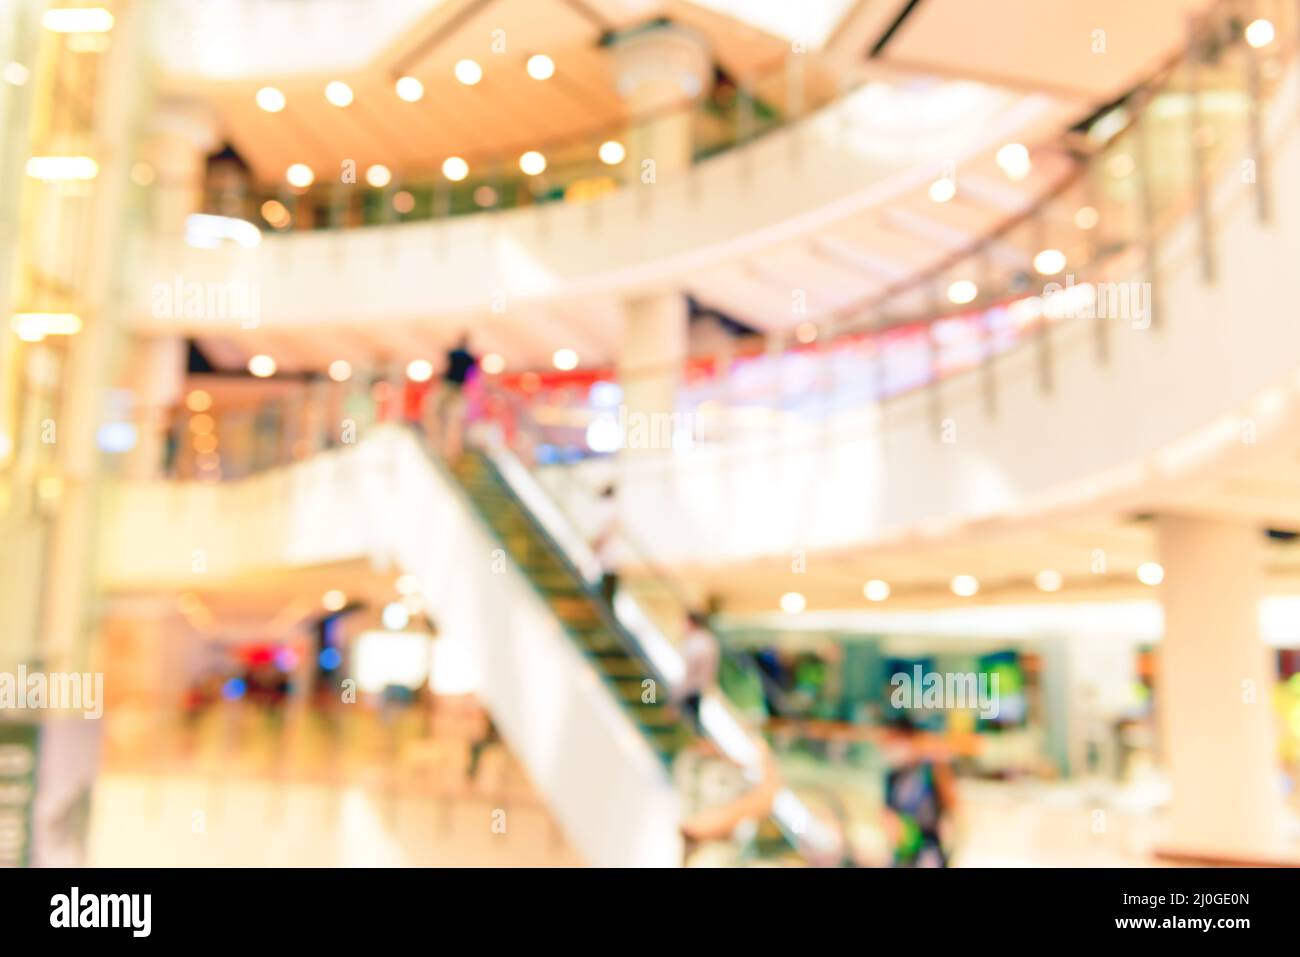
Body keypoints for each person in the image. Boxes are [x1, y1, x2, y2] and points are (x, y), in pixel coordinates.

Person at [675, 611, 720, 728]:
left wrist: (678, 695)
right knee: (694, 723)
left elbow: (690, 670)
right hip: (700, 687)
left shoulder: (694, 642)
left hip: (690, 689)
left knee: (689, 725)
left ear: (690, 623)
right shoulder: (708, 640)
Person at [436, 334, 477, 460]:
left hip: (451, 384)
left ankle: (441, 418)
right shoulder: (470, 357)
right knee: (452, 412)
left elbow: (446, 364)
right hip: (458, 386)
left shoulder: (454, 353)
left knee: (442, 410)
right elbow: (472, 373)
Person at [590, 484, 621, 605]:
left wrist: (595, 546)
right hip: (610, 559)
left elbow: (604, 531)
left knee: (605, 588)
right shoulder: (613, 507)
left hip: (606, 558)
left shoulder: (606, 506)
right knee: (608, 589)